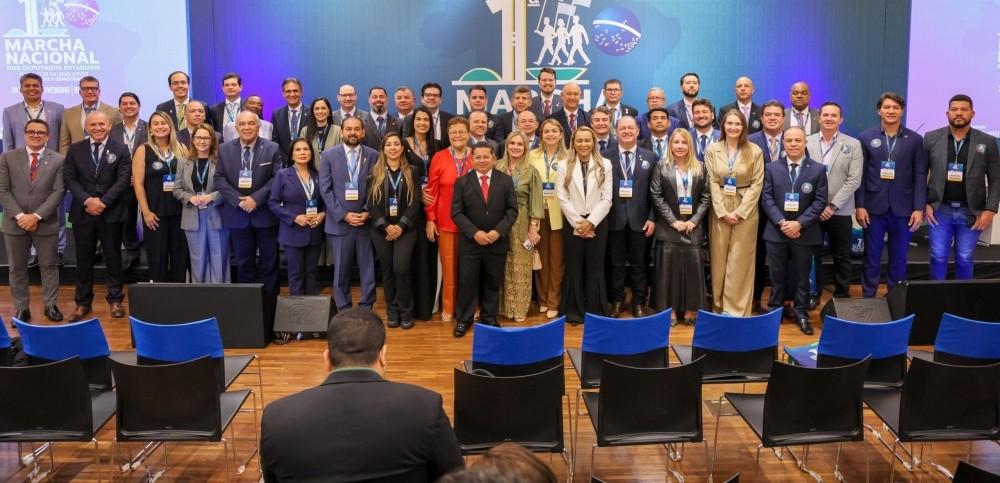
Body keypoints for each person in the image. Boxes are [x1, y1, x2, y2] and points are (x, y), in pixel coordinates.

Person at [260, 308, 463, 483]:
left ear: (327, 359)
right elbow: (457, 476)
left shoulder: (276, 419)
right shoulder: (426, 408)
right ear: (383, 356)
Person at [856, 93, 927, 298]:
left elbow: (919, 174)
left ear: (902, 111)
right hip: (873, 207)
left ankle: (895, 298)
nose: (891, 111)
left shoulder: (914, 139)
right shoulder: (866, 137)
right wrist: (860, 205)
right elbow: (860, 173)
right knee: (871, 255)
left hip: (903, 208)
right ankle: (868, 296)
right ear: (879, 110)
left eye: (895, 107)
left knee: (899, 257)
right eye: (886, 107)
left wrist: (918, 208)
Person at [63, 111, 131, 320]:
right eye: (93, 125)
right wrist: (88, 200)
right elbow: (70, 179)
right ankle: (83, 303)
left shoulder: (121, 149)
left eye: (102, 124)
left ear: (109, 126)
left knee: (113, 257)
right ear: (86, 127)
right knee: (83, 260)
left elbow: (123, 179)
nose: (98, 128)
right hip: (84, 213)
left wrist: (103, 202)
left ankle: (116, 299)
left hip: (111, 212)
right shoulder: (75, 149)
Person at [924, 94, 999, 280]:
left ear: (972, 113)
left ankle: (961, 301)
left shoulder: (987, 141)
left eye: (964, 110)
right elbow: (919, 175)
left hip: (971, 210)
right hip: (939, 209)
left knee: (965, 258)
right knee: (938, 256)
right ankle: (938, 298)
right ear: (947, 113)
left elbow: (996, 178)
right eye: (954, 109)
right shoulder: (931, 137)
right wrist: (923, 204)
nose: (959, 113)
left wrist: (990, 210)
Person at [762, 127, 828, 335]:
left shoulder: (817, 169)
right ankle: (775, 311)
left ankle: (801, 312)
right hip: (776, 231)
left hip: (805, 232)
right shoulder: (772, 168)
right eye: (789, 140)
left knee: (801, 277)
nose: (793, 144)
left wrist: (799, 223)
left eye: (797, 140)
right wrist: (782, 222)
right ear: (783, 143)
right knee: (776, 275)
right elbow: (766, 198)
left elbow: (820, 202)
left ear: (805, 143)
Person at [0, 119, 65, 322]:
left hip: (45, 222)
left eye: (40, 132)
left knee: (49, 266)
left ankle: (50, 305)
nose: (36, 135)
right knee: (17, 268)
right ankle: (21, 308)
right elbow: (3, 190)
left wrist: (36, 216)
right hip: (14, 222)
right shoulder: (7, 157)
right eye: (31, 132)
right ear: (25, 134)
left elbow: (58, 191)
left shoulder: (59, 160)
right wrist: (21, 216)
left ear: (48, 136)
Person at [451, 141, 518, 336]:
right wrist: (475, 233)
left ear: (494, 158)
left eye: (486, 156)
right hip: (471, 242)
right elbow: (456, 213)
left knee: (492, 281)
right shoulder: (462, 182)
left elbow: (512, 210)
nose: (482, 160)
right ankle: (464, 320)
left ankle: (489, 317)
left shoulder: (505, 180)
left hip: (497, 241)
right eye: (478, 157)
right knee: (467, 281)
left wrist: (498, 232)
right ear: (472, 159)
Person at [214, 111, 284, 296]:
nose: (246, 127)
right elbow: (219, 178)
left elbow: (277, 177)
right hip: (238, 216)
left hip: (265, 215)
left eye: (251, 123)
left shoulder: (272, 148)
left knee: (270, 262)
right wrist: (239, 201)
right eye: (242, 124)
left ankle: (270, 303)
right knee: (244, 263)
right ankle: (249, 304)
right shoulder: (224, 149)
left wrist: (256, 199)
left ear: (258, 126)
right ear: (236, 128)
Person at [705, 110, 764, 316]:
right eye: (729, 123)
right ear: (723, 126)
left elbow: (757, 184)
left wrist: (740, 212)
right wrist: (721, 211)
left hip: (745, 209)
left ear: (743, 127)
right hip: (719, 208)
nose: (733, 127)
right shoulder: (713, 149)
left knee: (740, 261)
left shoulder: (754, 150)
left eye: (737, 124)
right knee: (719, 259)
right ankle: (718, 306)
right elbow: (711, 181)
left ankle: (736, 309)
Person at [649, 129, 709, 325]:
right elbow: (656, 196)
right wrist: (673, 221)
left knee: (693, 271)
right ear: (670, 144)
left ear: (689, 145)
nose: (680, 146)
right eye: (676, 142)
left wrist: (694, 220)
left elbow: (706, 196)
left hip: (693, 228)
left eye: (684, 142)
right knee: (668, 272)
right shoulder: (661, 166)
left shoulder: (700, 167)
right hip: (669, 228)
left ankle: (692, 309)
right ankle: (671, 311)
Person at [320, 116, 379, 310]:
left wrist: (367, 212)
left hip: (365, 222)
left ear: (363, 132)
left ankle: (366, 305)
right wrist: (344, 214)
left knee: (367, 268)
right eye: (348, 129)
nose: (352, 133)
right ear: (342, 132)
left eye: (356, 129)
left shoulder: (374, 155)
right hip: (339, 223)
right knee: (341, 270)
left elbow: (378, 188)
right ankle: (343, 307)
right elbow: (325, 190)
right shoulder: (328, 156)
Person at [806, 102, 863, 298]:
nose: (829, 118)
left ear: (841, 119)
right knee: (814, 255)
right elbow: (804, 177)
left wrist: (832, 205)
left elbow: (854, 179)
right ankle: (815, 292)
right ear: (818, 118)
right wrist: (819, 206)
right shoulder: (807, 142)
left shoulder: (853, 144)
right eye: (826, 115)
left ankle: (841, 294)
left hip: (841, 209)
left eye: (834, 115)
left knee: (842, 255)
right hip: (813, 210)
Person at [556, 126, 613, 323]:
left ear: (594, 142)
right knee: (574, 266)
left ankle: (595, 311)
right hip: (573, 222)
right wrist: (578, 223)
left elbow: (607, 199)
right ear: (573, 143)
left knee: (595, 267)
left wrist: (591, 222)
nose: (583, 144)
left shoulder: (605, 164)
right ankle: (574, 312)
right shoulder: (563, 165)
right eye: (579, 141)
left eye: (587, 140)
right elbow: (561, 197)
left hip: (597, 222)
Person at [368, 133, 424, 329]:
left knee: (401, 269)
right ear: (383, 149)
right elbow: (371, 205)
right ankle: (392, 312)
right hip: (381, 230)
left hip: (405, 230)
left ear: (402, 148)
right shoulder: (374, 172)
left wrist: (400, 225)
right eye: (388, 145)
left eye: (396, 144)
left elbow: (416, 202)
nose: (392, 148)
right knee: (388, 271)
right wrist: (386, 226)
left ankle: (406, 311)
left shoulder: (412, 171)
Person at [603, 116, 656, 318]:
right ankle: (617, 301)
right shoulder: (605, 156)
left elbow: (655, 193)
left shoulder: (650, 157)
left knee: (639, 265)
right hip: (613, 220)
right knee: (615, 265)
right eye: (622, 128)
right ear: (616, 131)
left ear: (637, 131)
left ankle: (638, 303)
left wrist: (652, 218)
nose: (626, 131)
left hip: (641, 221)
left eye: (630, 128)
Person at [132, 111, 189, 283]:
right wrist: (146, 212)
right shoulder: (143, 150)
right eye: (155, 124)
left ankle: (179, 297)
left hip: (180, 212)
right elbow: (138, 184)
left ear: (170, 126)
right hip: (155, 214)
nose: (160, 127)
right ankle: (160, 300)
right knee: (157, 259)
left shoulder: (181, 148)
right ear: (150, 129)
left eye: (163, 123)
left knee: (180, 258)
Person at [425, 117, 472, 322]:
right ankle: (449, 307)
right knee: (449, 268)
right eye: (453, 132)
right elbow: (431, 192)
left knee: (471, 268)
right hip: (446, 221)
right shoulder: (439, 157)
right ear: (448, 135)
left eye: (461, 132)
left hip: (474, 223)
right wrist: (430, 218)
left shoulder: (478, 156)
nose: (457, 136)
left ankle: (473, 306)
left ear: (468, 134)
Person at [496, 131, 543, 322]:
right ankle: (503, 307)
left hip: (522, 223)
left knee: (521, 266)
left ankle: (520, 309)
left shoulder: (531, 171)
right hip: (499, 223)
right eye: (512, 143)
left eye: (520, 144)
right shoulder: (497, 167)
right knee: (502, 265)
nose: (515, 147)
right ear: (507, 145)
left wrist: (533, 228)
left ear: (525, 148)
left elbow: (536, 202)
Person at [174, 123, 229, 283]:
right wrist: (190, 198)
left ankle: (220, 298)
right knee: (197, 260)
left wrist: (212, 197)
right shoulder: (184, 162)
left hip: (216, 214)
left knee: (219, 258)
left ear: (212, 140)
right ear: (193, 140)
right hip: (192, 216)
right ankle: (200, 298)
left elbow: (229, 188)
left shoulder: (221, 161)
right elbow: (176, 189)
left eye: (206, 137)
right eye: (199, 137)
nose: (202, 141)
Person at [269, 139, 325, 295]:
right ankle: (297, 313)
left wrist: (322, 214)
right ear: (292, 155)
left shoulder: (318, 175)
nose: (302, 153)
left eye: (306, 149)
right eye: (298, 150)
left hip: (314, 231)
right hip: (293, 232)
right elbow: (273, 203)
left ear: (311, 154)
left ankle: (310, 312)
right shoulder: (283, 175)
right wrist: (294, 218)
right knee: (296, 275)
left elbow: (326, 201)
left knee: (312, 274)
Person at [748, 100, 787, 311]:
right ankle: (754, 299)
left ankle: (780, 302)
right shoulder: (750, 141)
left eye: (776, 114)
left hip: (785, 210)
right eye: (768, 114)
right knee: (757, 255)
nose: (772, 118)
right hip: (756, 208)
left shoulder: (792, 139)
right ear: (761, 118)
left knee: (783, 258)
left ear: (783, 118)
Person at [528, 119, 568, 319]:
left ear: (561, 134)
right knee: (540, 258)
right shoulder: (532, 155)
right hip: (537, 213)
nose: (550, 134)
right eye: (546, 131)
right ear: (540, 134)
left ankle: (554, 301)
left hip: (559, 214)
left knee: (557, 261)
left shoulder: (568, 156)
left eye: (554, 131)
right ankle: (542, 300)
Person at [405, 107, 441, 321]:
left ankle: (429, 305)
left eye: (426, 119)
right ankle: (414, 306)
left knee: (430, 255)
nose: (422, 123)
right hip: (411, 206)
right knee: (413, 256)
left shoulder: (437, 145)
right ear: (412, 122)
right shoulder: (403, 144)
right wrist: (419, 195)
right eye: (418, 119)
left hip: (434, 205)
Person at [109, 92, 147, 270]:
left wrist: (138, 175)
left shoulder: (149, 128)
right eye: (124, 104)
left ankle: (152, 251)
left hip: (146, 180)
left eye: (132, 103)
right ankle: (132, 253)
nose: (128, 106)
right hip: (122, 182)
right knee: (127, 219)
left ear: (139, 106)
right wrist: (126, 177)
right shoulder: (113, 130)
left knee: (150, 215)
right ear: (119, 108)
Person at [59, 76, 122, 154]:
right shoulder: (68, 113)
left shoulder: (114, 112)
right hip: (77, 160)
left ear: (99, 91)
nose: (89, 91)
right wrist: (65, 162)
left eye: (93, 88)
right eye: (85, 89)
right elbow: (64, 143)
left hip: (106, 159)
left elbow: (119, 138)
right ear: (80, 92)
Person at [3, 73, 64, 152]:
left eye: (35, 86)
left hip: (52, 160)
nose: (31, 88)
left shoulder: (58, 109)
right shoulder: (9, 112)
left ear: (42, 89)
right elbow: (8, 141)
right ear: (21, 89)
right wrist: (8, 162)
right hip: (21, 161)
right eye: (27, 86)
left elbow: (63, 139)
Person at [299, 97, 342, 167]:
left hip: (333, 172)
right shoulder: (305, 131)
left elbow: (341, 155)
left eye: (323, 108)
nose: (320, 111)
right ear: (312, 112)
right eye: (317, 109)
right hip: (311, 173)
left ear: (329, 112)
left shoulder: (338, 131)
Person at [270, 77, 308, 155]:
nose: (292, 94)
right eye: (288, 91)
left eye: (295, 91)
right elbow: (275, 141)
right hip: (284, 163)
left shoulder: (311, 112)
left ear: (301, 92)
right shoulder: (277, 114)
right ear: (283, 94)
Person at [211, 72, 244, 140]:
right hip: (222, 147)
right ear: (223, 88)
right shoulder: (214, 109)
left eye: (233, 85)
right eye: (227, 85)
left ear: (240, 87)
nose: (230, 87)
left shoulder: (248, 107)